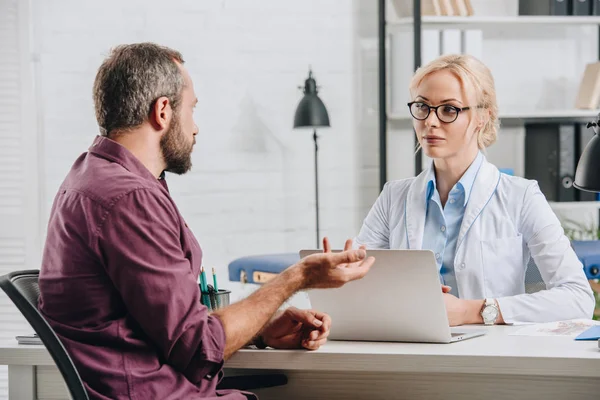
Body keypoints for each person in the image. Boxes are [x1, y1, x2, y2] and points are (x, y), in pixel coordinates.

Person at [38, 43, 375, 400]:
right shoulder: (128, 198)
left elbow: (166, 324)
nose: (195, 127)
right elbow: (198, 350)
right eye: (192, 109)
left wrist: (258, 330)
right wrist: (299, 276)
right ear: (163, 111)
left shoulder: (90, 176)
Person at [355, 54, 594, 326]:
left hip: (488, 359)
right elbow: (357, 287)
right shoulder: (393, 198)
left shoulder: (521, 197)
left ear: (482, 116)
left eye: (449, 109)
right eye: (422, 106)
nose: (430, 122)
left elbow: (578, 298)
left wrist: (473, 311)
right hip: (409, 352)